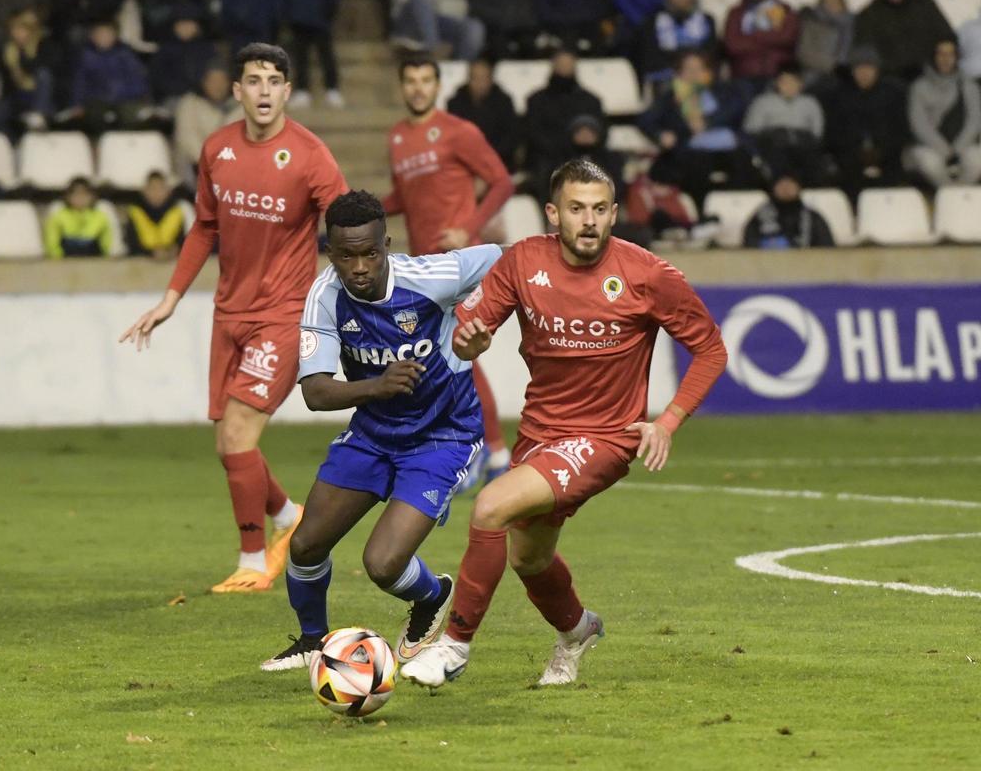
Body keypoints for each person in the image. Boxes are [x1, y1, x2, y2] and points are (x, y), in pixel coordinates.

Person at [400, 159, 727, 689]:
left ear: (615, 213)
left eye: (600, 209)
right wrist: (469, 341)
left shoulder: (648, 275)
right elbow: (470, 328)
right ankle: (578, 630)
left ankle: (453, 646)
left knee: (491, 506)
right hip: (542, 434)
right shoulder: (523, 262)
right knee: (529, 559)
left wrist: (667, 420)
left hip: (606, 439)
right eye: (577, 209)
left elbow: (710, 349)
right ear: (554, 213)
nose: (589, 220)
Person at [120, 43, 348, 595]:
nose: (264, 90)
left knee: (239, 436)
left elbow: (346, 223)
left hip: (283, 315)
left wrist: (351, 298)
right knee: (228, 444)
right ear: (238, 91)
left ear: (287, 92)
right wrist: (171, 298)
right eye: (254, 80)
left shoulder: (311, 155)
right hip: (229, 313)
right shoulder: (217, 150)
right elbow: (203, 227)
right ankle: (290, 516)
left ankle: (253, 562)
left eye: (275, 80)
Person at [260, 190, 501, 671]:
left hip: (443, 435)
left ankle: (432, 596)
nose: (360, 267)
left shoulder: (433, 277)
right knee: (305, 544)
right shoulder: (324, 296)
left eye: (370, 253)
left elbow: (502, 258)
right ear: (331, 253)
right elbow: (316, 392)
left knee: (383, 564)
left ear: (386, 245)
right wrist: (378, 385)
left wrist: (482, 319)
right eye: (346, 256)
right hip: (373, 433)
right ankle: (312, 640)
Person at [382, 54, 514, 488]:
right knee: (448, 361)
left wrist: (469, 228)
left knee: (460, 357)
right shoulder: (398, 138)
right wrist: (357, 208)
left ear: (438, 86)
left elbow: (501, 181)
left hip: (460, 266)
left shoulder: (459, 132)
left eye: (426, 80)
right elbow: (404, 197)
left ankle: (490, 451)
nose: (418, 88)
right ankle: (479, 450)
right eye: (411, 81)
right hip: (424, 270)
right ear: (402, 87)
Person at [637, 50, 756, 205]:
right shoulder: (670, 97)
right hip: (693, 150)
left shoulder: (722, 91)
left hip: (728, 148)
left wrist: (707, 122)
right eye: (689, 69)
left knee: (744, 164)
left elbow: (735, 109)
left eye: (699, 68)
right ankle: (701, 214)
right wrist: (660, 135)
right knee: (696, 168)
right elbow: (646, 120)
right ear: (679, 72)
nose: (694, 73)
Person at [822, 45, 908, 199]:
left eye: (869, 68)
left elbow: (900, 129)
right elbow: (833, 132)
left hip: (886, 151)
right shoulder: (839, 95)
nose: (864, 73)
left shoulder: (892, 94)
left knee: (893, 168)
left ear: (877, 70)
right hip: (850, 152)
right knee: (847, 169)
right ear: (853, 71)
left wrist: (882, 149)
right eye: (860, 68)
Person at [524, 49, 605, 205]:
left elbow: (601, 131)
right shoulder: (537, 101)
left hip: (585, 154)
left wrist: (591, 137)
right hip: (549, 157)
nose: (565, 68)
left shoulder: (590, 101)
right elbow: (533, 133)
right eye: (561, 64)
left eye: (569, 64)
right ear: (553, 66)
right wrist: (565, 144)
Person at [852, 0, 954, 84]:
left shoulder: (926, 6)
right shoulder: (871, 13)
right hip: (887, 79)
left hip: (927, 75)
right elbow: (863, 47)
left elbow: (947, 37)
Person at [906, 39, 981, 188]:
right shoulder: (919, 87)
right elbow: (919, 124)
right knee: (930, 164)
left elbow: (975, 120)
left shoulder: (969, 86)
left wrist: (958, 148)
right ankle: (949, 195)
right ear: (934, 57)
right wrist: (944, 149)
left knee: (977, 161)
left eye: (950, 54)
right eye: (941, 54)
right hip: (930, 146)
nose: (946, 59)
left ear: (957, 57)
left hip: (963, 145)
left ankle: (959, 194)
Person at [634, 0, 717, 93]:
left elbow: (710, 56)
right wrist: (682, 72)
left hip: (701, 81)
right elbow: (651, 61)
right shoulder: (651, 23)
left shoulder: (707, 21)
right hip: (666, 83)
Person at [743, 64, 825, 184]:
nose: (788, 86)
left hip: (802, 141)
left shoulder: (810, 102)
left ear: (801, 84)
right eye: (784, 82)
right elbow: (751, 128)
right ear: (777, 83)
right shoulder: (763, 101)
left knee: (811, 158)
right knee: (777, 156)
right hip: (773, 140)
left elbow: (817, 130)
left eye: (793, 82)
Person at [70, 19, 151, 134]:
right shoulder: (85, 56)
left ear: (115, 36)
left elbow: (137, 78)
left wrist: (135, 94)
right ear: (92, 37)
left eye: (108, 34)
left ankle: (124, 145)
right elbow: (80, 82)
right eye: (100, 34)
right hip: (97, 98)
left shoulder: (126, 54)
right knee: (94, 116)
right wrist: (77, 103)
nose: (104, 38)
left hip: (125, 97)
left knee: (130, 115)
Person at [723, 0, 798, 90]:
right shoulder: (736, 13)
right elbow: (732, 45)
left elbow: (787, 39)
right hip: (743, 76)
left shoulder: (785, 11)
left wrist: (751, 36)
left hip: (777, 75)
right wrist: (771, 36)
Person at [282, 0, 347, 109]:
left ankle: (332, 88)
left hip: (321, 9)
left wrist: (330, 1)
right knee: (300, 53)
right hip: (297, 9)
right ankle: (302, 89)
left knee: (325, 50)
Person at [388, 0, 485, 61]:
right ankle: (433, 49)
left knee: (474, 28)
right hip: (408, 21)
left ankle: (458, 72)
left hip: (442, 20)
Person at [446, 56, 518, 172]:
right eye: (475, 78)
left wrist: (488, 157)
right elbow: (453, 138)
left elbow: (511, 136)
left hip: (498, 162)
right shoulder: (455, 103)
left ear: (491, 79)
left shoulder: (504, 102)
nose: (480, 83)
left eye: (484, 78)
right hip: (464, 164)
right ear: (468, 79)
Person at [742, 173, 833, 249]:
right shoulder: (758, 218)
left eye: (790, 184)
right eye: (781, 184)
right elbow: (750, 245)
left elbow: (827, 247)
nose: (785, 188)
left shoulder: (813, 217)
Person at [174, 65, 237, 174]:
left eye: (222, 81)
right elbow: (187, 139)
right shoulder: (190, 104)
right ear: (204, 82)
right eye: (213, 81)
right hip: (198, 165)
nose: (218, 86)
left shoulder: (242, 106)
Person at [149, 5, 218, 105]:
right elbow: (158, 78)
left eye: (189, 23)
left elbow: (215, 73)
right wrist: (183, 91)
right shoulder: (165, 50)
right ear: (174, 27)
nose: (185, 28)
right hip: (175, 98)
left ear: (197, 26)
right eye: (181, 24)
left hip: (206, 97)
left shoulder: (207, 48)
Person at [1, 9, 56, 131]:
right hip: (19, 94)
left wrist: (24, 54)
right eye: (14, 30)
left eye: (21, 30)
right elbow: (7, 80)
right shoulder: (9, 51)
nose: (17, 34)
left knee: (43, 75)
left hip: (39, 92)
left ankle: (38, 113)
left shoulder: (43, 45)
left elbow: (40, 67)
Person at [534, 0, 612, 57]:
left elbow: (597, 9)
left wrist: (581, 19)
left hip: (585, 25)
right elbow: (545, 13)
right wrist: (569, 19)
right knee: (568, 36)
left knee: (600, 36)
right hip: (559, 27)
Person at [795, 0, 853, 90]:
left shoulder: (851, 23)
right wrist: (834, 66)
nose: (832, 3)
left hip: (847, 79)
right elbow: (803, 53)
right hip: (815, 78)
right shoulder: (812, 22)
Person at [44, 177, 113, 258]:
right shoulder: (58, 217)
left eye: (84, 194)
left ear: (92, 196)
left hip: (94, 262)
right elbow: (52, 246)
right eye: (76, 194)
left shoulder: (100, 217)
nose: (80, 198)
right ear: (68, 196)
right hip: (65, 263)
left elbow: (106, 247)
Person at [126, 171, 186, 259]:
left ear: (168, 191)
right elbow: (131, 246)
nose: (156, 193)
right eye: (152, 188)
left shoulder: (177, 212)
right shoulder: (135, 212)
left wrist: (175, 249)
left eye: (161, 189)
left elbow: (183, 241)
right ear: (145, 191)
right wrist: (151, 253)